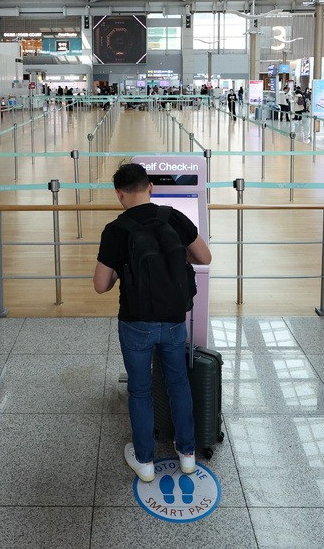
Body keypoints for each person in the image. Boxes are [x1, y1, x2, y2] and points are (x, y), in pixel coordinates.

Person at [94, 163, 212, 482]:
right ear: (150, 188)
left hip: (135, 322)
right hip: (174, 318)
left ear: (119, 194)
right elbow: (205, 257)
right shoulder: (174, 217)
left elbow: (101, 285)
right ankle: (187, 454)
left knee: (140, 389)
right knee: (178, 383)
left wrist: (122, 268)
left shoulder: (115, 230)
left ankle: (145, 461)